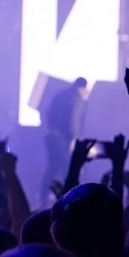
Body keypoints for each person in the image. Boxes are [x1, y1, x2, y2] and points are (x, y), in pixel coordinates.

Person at [39, 78, 89, 206]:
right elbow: (74, 120)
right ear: (82, 88)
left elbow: (47, 112)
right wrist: (75, 138)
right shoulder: (76, 98)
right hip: (63, 140)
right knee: (66, 169)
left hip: (52, 136)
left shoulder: (61, 95)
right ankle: (67, 202)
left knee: (52, 168)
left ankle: (44, 198)